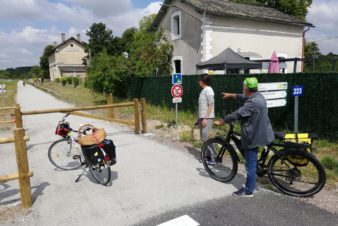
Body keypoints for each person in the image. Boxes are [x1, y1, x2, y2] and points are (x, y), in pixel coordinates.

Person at [214, 77, 275, 197]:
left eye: (244, 87)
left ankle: (248, 191)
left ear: (247, 88)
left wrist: (222, 121)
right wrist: (232, 95)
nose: (243, 89)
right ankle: (253, 182)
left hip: (253, 136)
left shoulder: (252, 103)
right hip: (263, 131)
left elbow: (237, 114)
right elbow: (244, 97)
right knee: (253, 161)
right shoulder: (258, 96)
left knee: (250, 165)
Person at [197, 75, 215, 164]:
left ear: (203, 81)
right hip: (203, 117)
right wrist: (198, 119)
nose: (198, 81)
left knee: (205, 136)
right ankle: (208, 156)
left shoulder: (209, 90)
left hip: (207, 117)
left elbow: (210, 104)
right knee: (203, 137)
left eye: (199, 80)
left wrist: (206, 118)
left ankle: (213, 157)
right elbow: (202, 106)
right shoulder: (204, 90)